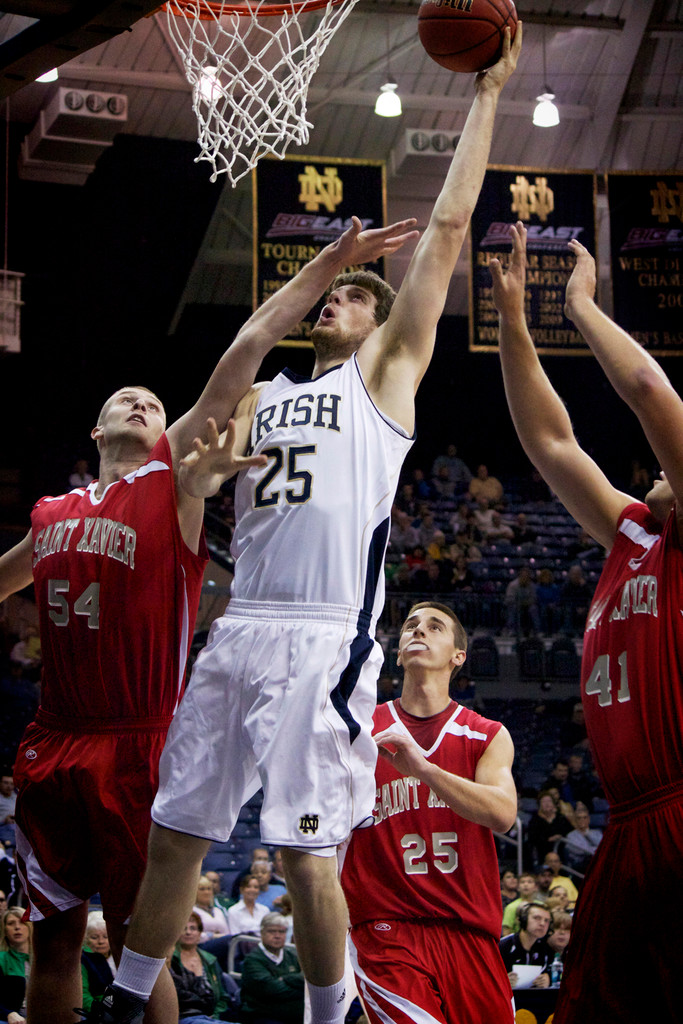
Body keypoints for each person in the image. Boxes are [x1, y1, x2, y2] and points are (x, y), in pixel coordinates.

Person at [95, 28, 522, 1024]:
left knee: (299, 846)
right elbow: (199, 461)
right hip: (237, 622)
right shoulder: (260, 397)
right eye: (328, 292)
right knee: (176, 835)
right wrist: (198, 482)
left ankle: (330, 1018)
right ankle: (122, 1006)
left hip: (324, 633)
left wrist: (487, 96)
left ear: (380, 326)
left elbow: (449, 229)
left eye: (351, 297)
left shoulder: (381, 383)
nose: (334, 300)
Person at [0, 213, 410, 1024]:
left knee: (137, 930)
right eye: (127, 397)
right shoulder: (51, 511)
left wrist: (199, 482)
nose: (141, 400)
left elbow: (249, 342)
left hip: (142, 727)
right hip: (54, 733)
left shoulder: (170, 475)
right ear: (93, 428)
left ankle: (326, 1007)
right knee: (52, 942)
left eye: (154, 399)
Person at [491, 221, 683, 1022]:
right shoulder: (632, 532)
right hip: (628, 821)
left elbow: (647, 392)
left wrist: (576, 304)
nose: (653, 475)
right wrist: (510, 323)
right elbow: (548, 441)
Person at [340, 601, 517, 1024]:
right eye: (410, 626)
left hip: (470, 932)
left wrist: (424, 769)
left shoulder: (485, 734)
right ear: (398, 652)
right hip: (386, 928)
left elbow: (503, 813)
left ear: (458, 656)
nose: (418, 631)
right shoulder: (361, 729)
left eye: (434, 627)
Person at [239, 913, 304, 1024]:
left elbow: (306, 980)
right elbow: (272, 990)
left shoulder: (292, 955)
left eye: (281, 932)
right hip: (263, 1015)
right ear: (262, 933)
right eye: (272, 931)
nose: (277, 936)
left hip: (294, 1014)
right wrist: (300, 988)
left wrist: (284, 979)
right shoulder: (253, 960)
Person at [169, 912, 232, 1023]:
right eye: (183, 928)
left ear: (200, 934)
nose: (188, 932)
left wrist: (215, 1015)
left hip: (210, 1018)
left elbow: (223, 996)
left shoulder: (210, 960)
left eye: (193, 928)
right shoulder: (169, 959)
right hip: (181, 1016)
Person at [498, 903, 551, 990]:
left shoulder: (544, 948)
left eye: (546, 920)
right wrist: (502, 982)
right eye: (537, 918)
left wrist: (546, 981)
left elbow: (546, 975)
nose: (542, 923)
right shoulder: (503, 946)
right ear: (523, 920)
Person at [0, 906, 32, 1024]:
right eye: (11, 923)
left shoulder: (43, 960)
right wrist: (8, 1013)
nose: (17, 927)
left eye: (22, 922)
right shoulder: (1, 959)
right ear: (4, 930)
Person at [81, 913, 116, 1016]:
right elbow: (83, 995)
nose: (101, 941)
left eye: (105, 937)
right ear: (86, 938)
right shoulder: (83, 959)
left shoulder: (117, 956)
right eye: (94, 937)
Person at [501, 872, 543, 937]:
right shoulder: (511, 907)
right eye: (522, 882)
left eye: (530, 882)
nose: (525, 885)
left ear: (536, 887)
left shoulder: (542, 906)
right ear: (518, 887)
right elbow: (506, 932)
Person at [563, 806, 603, 873]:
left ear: (589, 819)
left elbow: (603, 846)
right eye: (579, 818)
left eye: (585, 817)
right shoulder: (571, 836)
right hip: (581, 865)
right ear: (575, 820)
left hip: (598, 862)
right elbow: (580, 850)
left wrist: (587, 834)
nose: (582, 820)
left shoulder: (597, 833)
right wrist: (595, 849)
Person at [192, 877, 230, 942]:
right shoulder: (192, 911)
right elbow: (191, 933)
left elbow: (227, 933)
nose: (206, 892)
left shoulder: (217, 911)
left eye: (209, 889)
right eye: (202, 889)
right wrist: (211, 935)